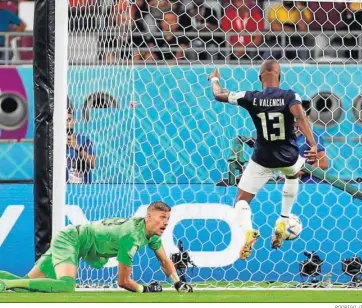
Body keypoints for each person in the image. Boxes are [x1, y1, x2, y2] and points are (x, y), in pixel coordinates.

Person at [208, 60, 317, 258]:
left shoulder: (251, 97)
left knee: (241, 201)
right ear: (280, 78)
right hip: (289, 157)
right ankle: (283, 220)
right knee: (292, 176)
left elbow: (218, 94)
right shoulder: (290, 95)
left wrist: (214, 79)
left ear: (259, 78)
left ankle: (249, 231)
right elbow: (300, 116)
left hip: (262, 158)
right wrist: (313, 144)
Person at [0, 201, 193, 293]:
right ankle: (6, 284)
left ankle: (7, 282)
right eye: (162, 218)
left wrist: (177, 282)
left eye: (168, 218)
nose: (166, 223)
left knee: (24, 286)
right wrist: (145, 289)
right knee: (66, 286)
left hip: (75, 240)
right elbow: (123, 281)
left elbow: (164, 259)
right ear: (148, 217)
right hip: (71, 240)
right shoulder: (131, 237)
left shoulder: (149, 234)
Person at [66, 106, 95, 183]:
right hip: (63, 187)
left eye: (69, 120)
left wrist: (77, 147)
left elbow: (92, 163)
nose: (66, 123)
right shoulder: (55, 142)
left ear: (74, 121)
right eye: (63, 120)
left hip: (82, 189)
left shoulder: (84, 140)